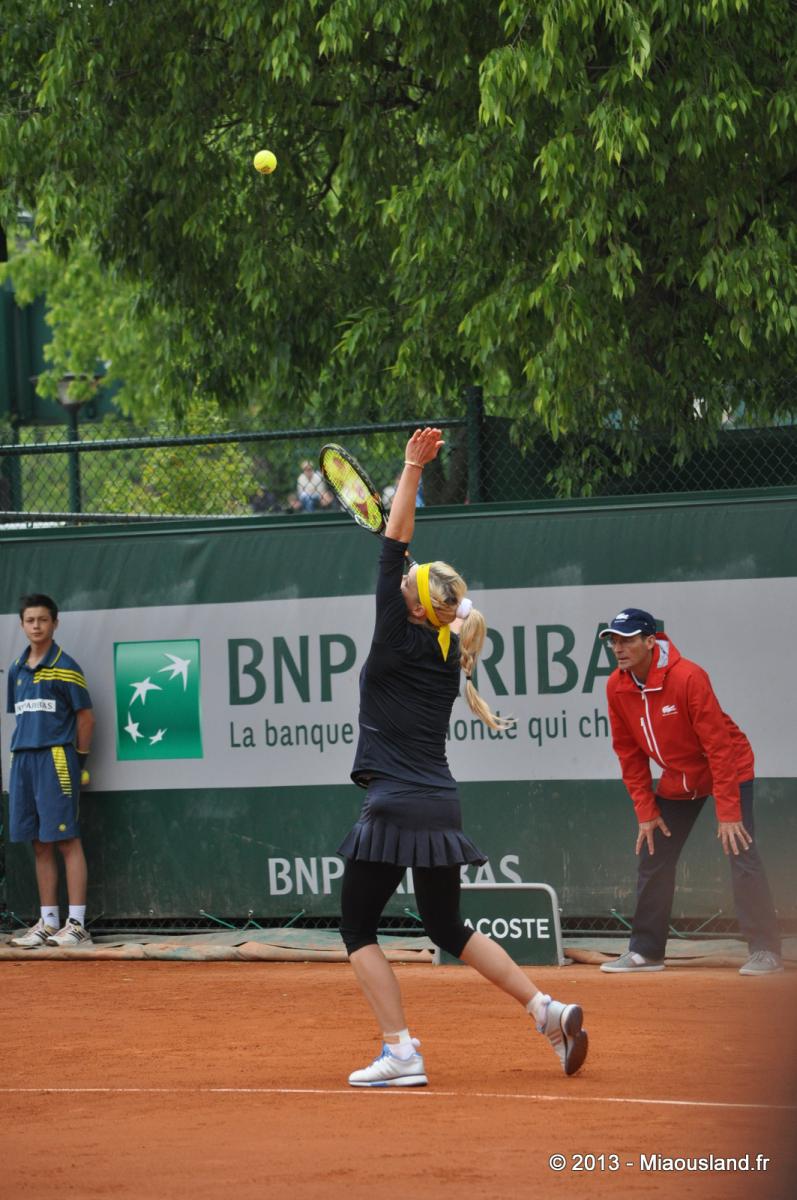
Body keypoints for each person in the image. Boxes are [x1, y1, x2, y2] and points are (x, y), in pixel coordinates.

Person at [337, 427, 588, 1088]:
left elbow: (394, 545)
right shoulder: (452, 648)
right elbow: (420, 572)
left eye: (409, 589)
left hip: (392, 799)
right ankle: (546, 1010)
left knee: (356, 925)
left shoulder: (397, 631)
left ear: (416, 608)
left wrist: (411, 469)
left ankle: (400, 1051)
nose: (398, 588)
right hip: (439, 802)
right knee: (445, 923)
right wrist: (425, 574)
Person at [599, 607, 782, 976]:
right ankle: (646, 952)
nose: (619, 648)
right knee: (655, 852)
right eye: (614, 641)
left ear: (651, 642)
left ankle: (765, 950)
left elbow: (719, 746)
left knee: (740, 848)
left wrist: (728, 811)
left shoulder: (688, 677)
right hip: (679, 778)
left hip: (728, 766)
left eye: (628, 639)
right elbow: (629, 753)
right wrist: (646, 811)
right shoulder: (615, 686)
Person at [7, 594, 95, 949]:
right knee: (39, 843)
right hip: (23, 760)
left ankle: (77, 924)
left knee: (66, 840)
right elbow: (19, 716)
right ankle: (48, 921)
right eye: (30, 620)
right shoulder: (15, 669)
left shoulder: (66, 666)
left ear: (55, 623)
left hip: (57, 759)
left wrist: (80, 761)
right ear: (22, 624)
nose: (37, 626)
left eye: (43, 620)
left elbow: (85, 717)